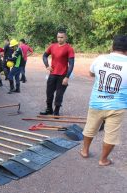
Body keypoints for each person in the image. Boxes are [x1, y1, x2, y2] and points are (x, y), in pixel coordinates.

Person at [80, 35, 127, 166]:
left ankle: (84, 151)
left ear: (112, 46)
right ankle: (103, 159)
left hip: (97, 102)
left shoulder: (100, 59)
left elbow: (91, 73)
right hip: (117, 106)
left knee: (90, 128)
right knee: (111, 135)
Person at [40, 30, 75, 116]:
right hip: (52, 74)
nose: (60, 39)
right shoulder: (52, 46)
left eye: (62, 37)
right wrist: (47, 65)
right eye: (58, 37)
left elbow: (71, 64)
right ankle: (49, 109)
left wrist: (67, 77)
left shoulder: (69, 48)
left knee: (59, 94)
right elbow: (44, 56)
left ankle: (56, 111)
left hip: (63, 75)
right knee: (49, 92)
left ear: (65, 37)